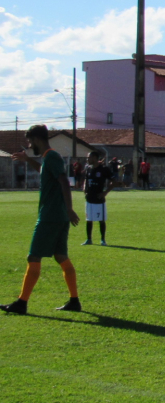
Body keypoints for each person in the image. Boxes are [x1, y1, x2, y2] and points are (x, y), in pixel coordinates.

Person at [1, 125, 82, 315]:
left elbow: (63, 180)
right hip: (58, 216)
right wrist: (28, 159)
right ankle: (74, 301)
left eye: (30, 141)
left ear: (37, 138)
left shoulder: (52, 156)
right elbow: (46, 172)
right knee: (61, 256)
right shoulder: (49, 158)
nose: (30, 145)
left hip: (50, 217)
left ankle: (22, 303)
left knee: (33, 256)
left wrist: (70, 208)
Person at [81, 151, 113, 246]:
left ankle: (103, 240)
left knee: (101, 220)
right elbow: (86, 180)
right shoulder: (88, 168)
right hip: (89, 198)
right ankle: (89, 239)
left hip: (99, 199)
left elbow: (113, 181)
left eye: (89, 157)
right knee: (89, 219)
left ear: (94, 158)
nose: (87, 159)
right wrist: (84, 189)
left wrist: (105, 192)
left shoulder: (104, 169)